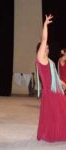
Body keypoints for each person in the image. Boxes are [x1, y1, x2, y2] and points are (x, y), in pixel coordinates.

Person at [36, 14, 66, 142]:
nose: (47, 48)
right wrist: (45, 25)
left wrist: (62, 82)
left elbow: (53, 75)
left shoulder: (49, 61)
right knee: (58, 112)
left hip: (55, 90)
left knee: (57, 113)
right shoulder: (40, 59)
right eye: (45, 47)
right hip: (50, 92)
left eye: (47, 47)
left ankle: (57, 133)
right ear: (40, 50)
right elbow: (43, 39)